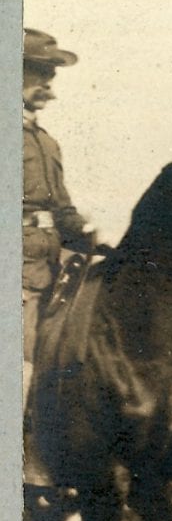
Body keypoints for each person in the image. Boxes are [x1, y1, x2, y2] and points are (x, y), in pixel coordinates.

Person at [22, 28, 98, 367]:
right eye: (41, 74)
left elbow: (62, 210)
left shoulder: (47, 143)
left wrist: (89, 233)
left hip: (48, 269)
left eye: (51, 76)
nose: (49, 88)